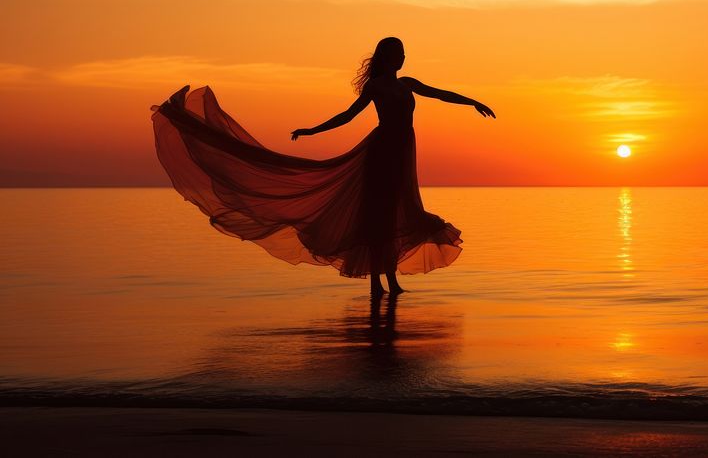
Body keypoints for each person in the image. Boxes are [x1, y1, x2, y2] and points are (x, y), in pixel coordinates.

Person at [151, 36, 495, 296]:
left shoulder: (408, 84)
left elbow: (440, 94)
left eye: (405, 53)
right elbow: (348, 115)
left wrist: (472, 101)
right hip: (382, 151)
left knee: (395, 212)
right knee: (376, 214)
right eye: (399, 52)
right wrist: (312, 130)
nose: (404, 57)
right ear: (388, 57)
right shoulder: (376, 86)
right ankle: (378, 282)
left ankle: (389, 280)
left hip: (403, 152)